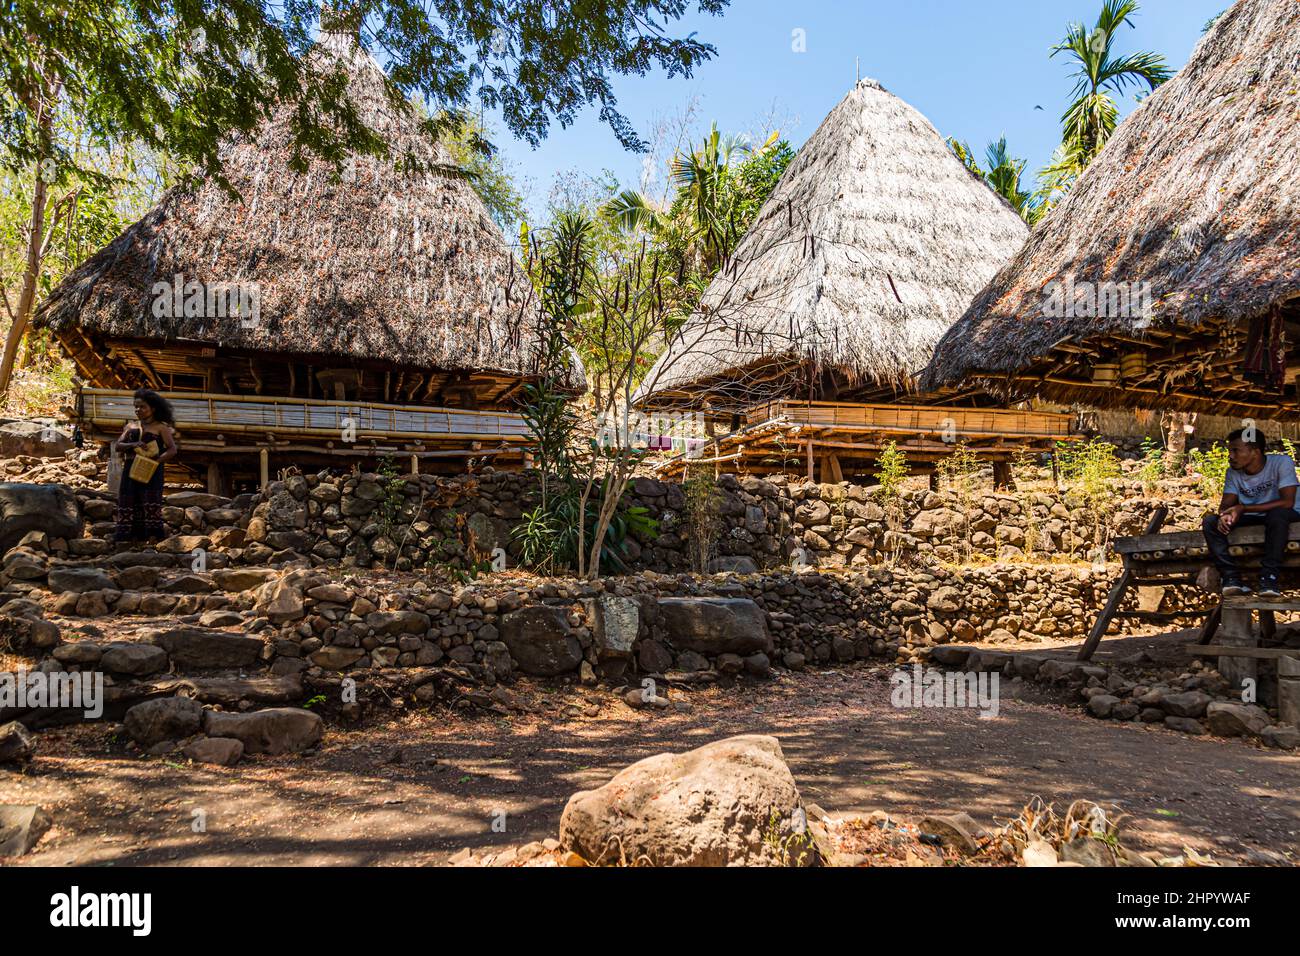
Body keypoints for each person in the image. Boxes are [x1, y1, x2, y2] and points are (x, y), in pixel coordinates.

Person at [1201, 427, 1300, 597]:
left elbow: (1287, 502)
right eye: (1229, 451)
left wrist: (1243, 508)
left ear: (1255, 452)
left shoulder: (1281, 463)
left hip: (1287, 513)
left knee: (1277, 515)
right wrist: (1225, 515)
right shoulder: (1233, 473)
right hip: (1254, 515)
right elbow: (1226, 505)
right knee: (1210, 522)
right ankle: (1231, 578)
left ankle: (1269, 578)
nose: (1231, 456)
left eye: (1236, 450)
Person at [113, 389, 179, 546]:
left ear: (153, 409)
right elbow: (118, 446)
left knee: (150, 500)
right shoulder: (130, 426)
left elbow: (172, 449)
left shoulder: (161, 427)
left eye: (142, 407)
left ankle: (153, 538)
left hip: (152, 470)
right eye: (136, 407)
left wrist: (157, 461)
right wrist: (134, 444)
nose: (138, 410)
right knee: (129, 499)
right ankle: (129, 538)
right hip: (130, 468)